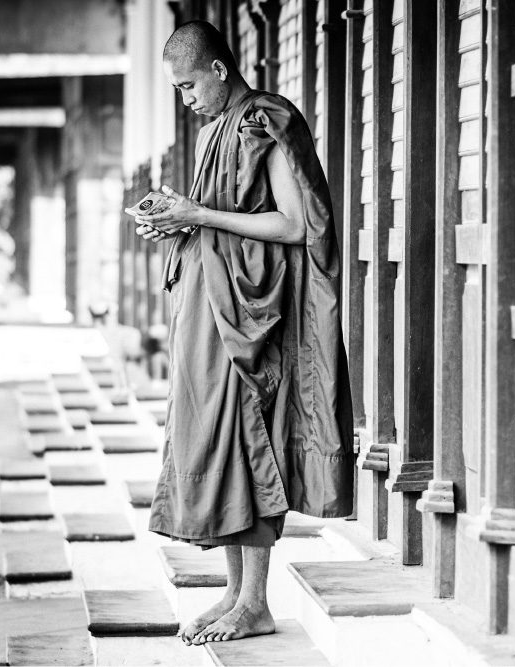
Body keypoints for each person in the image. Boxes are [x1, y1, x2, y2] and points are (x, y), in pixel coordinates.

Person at [136, 20, 354, 645]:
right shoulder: (213, 131)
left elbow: (294, 225)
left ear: (219, 69)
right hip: (207, 308)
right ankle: (234, 594)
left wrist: (199, 214)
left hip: (250, 318)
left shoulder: (265, 121)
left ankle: (257, 601)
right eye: (177, 90)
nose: (186, 100)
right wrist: (177, 220)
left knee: (247, 438)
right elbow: (221, 220)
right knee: (214, 442)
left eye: (189, 86)